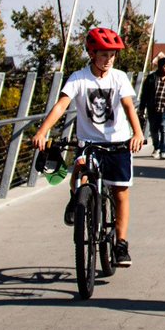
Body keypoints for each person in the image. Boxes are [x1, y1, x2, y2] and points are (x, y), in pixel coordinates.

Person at [33, 27, 145, 267]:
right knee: (80, 169)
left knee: (120, 192)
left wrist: (137, 132)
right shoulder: (79, 78)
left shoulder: (119, 78)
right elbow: (61, 106)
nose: (109, 60)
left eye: (112, 55)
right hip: (90, 143)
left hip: (118, 143)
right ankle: (77, 200)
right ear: (91, 53)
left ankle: (121, 244)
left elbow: (127, 106)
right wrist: (43, 131)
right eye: (104, 54)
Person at [138, 56, 165, 160]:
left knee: (164, 129)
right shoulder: (151, 78)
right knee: (153, 130)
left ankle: (163, 151)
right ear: (159, 67)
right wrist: (142, 107)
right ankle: (156, 147)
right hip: (153, 108)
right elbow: (144, 94)